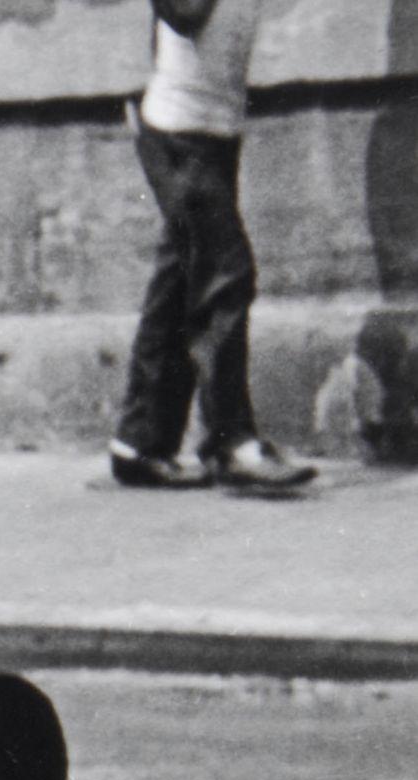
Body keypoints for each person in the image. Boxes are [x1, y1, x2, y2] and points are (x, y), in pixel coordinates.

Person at [109, 0, 318, 493]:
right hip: (181, 132)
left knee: (181, 281)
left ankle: (139, 444)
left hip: (214, 130)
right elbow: (183, 12)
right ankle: (232, 445)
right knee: (227, 272)